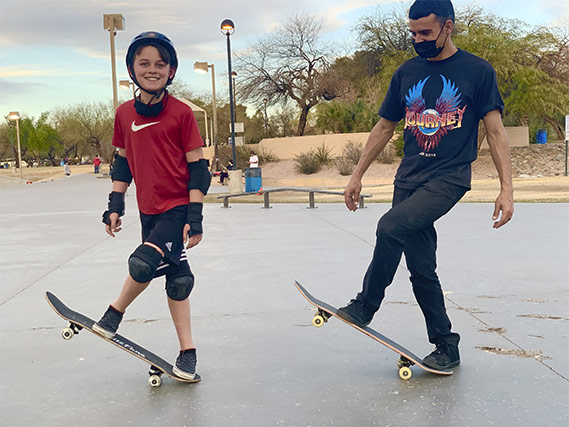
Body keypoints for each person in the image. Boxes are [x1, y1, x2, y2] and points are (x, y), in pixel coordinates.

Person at [337, 0, 513, 371]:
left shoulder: (477, 71)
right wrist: (357, 174)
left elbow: (495, 132)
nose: (417, 40)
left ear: (448, 27)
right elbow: (384, 127)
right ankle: (446, 345)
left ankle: (365, 305)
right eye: (413, 33)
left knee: (389, 226)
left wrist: (506, 188)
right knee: (421, 268)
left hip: (448, 178)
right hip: (408, 178)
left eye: (425, 33)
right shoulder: (406, 73)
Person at [92, 31, 211, 381]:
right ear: (133, 68)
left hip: (177, 207)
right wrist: (115, 203)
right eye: (144, 63)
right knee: (178, 281)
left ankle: (113, 314)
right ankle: (188, 353)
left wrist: (195, 215)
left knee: (143, 263)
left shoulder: (181, 113)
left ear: (171, 70)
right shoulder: (124, 113)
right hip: (149, 209)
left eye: (160, 64)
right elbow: (123, 163)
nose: (153, 69)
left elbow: (198, 170)